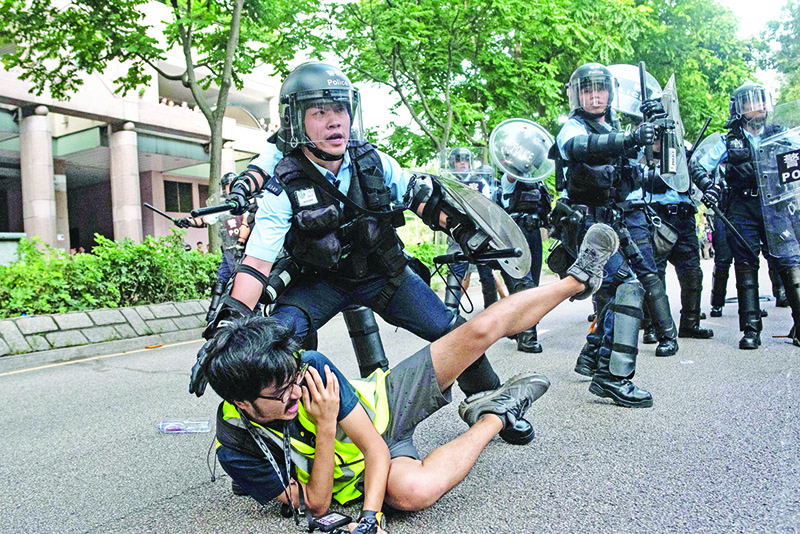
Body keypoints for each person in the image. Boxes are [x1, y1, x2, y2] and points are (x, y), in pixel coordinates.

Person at [190, 61, 532, 443]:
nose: (334, 121)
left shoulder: (373, 161)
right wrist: (225, 331)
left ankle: (489, 400)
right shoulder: (283, 183)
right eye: (320, 112)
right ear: (296, 122)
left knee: (448, 328)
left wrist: (467, 232)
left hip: (382, 274)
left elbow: (421, 199)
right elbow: (256, 264)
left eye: (340, 109)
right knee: (274, 346)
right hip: (318, 283)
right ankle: (271, 438)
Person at [205, 223, 619, 533]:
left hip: (385, 402)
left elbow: (372, 444)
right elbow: (314, 506)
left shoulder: (307, 366)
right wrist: (326, 425)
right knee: (413, 494)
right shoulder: (237, 449)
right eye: (283, 394)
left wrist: (371, 517)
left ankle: (576, 279)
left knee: (471, 333)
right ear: (243, 403)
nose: (298, 391)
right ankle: (496, 413)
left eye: (295, 377)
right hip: (364, 457)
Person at [550, 62, 658, 407]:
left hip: (609, 222)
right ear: (577, 95)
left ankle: (592, 356)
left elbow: (633, 177)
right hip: (584, 225)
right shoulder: (571, 127)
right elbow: (579, 148)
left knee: (614, 290)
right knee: (625, 288)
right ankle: (614, 377)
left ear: (611, 93)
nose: (595, 95)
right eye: (587, 89)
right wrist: (629, 138)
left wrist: (651, 133)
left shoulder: (614, 127)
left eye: (601, 89)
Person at [691, 82, 800, 348]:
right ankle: (751, 329)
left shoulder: (782, 134)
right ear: (739, 108)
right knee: (745, 265)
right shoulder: (726, 140)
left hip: (777, 207)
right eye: (751, 101)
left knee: (790, 263)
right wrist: (709, 188)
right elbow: (698, 166)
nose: (758, 105)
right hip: (742, 207)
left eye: (762, 100)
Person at [440, 147, 500, 316]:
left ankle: (492, 313)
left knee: (486, 274)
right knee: (455, 274)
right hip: (457, 235)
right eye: (458, 160)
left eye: (465, 160)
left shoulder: (481, 182)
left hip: (479, 233)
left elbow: (489, 207)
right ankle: (450, 316)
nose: (462, 163)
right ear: (453, 163)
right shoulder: (446, 183)